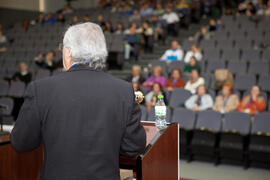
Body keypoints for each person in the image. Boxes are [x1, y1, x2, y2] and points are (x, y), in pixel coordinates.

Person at [11, 22, 146, 180]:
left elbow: (21, 142)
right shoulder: (123, 90)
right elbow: (133, 147)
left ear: (68, 52)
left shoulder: (41, 89)